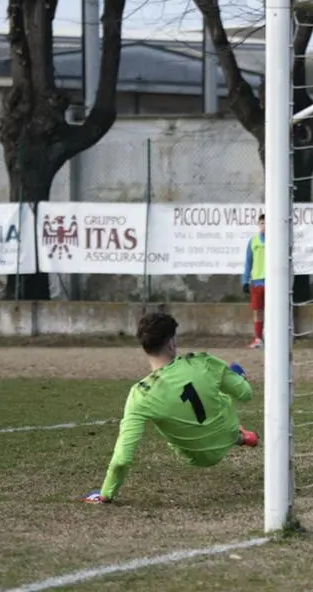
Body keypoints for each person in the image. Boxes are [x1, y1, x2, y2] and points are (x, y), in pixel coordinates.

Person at [80, 312, 259, 504]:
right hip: (227, 429)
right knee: (224, 381)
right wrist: (238, 377)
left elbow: (122, 459)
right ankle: (238, 436)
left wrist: (106, 494)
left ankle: (239, 437)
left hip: (196, 457)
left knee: (180, 412)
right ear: (171, 343)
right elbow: (246, 394)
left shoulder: (140, 394)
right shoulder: (203, 361)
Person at [242, 213, 266, 349]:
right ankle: (258, 338)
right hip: (257, 282)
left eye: (267, 224)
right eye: (262, 223)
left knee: (273, 311)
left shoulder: (276, 240)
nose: (264, 226)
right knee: (257, 311)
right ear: (258, 225)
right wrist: (245, 280)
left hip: (272, 282)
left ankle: (273, 338)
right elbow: (248, 262)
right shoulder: (253, 241)